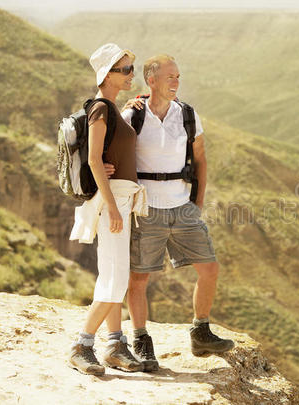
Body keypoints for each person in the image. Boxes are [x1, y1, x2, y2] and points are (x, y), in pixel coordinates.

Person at [118, 54, 234, 370]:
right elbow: (113, 155)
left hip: (182, 206)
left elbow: (201, 160)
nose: (176, 82)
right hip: (146, 208)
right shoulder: (132, 116)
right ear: (150, 80)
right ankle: (141, 339)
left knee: (209, 269)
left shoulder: (188, 115)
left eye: (178, 76)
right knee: (139, 278)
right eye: (169, 76)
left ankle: (200, 331)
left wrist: (197, 202)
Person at [68, 43, 147, 376]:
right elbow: (93, 159)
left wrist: (124, 112)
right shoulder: (101, 108)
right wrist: (113, 208)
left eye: (131, 68)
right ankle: (81, 346)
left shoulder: (110, 108)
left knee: (115, 273)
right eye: (126, 69)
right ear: (108, 74)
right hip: (112, 200)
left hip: (120, 198)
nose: (132, 74)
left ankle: (114, 344)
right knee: (115, 277)